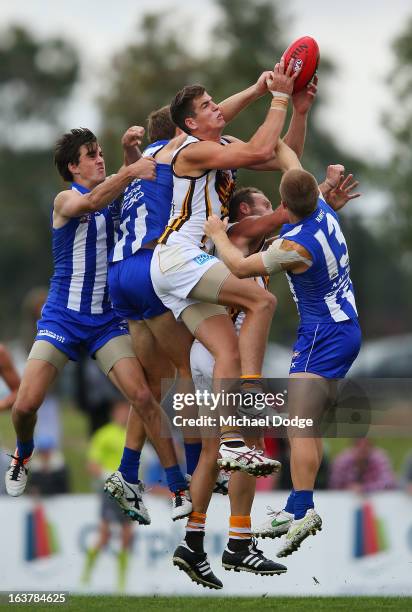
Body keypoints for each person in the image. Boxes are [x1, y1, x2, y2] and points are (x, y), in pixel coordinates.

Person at [155, 61, 320, 589]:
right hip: (179, 262)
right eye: (205, 108)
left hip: (198, 306)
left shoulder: (213, 147)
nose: (215, 110)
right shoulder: (192, 150)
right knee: (262, 302)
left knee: (230, 444)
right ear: (190, 123)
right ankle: (238, 540)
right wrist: (274, 98)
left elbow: (278, 157)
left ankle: (201, 543)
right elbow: (257, 154)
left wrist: (292, 104)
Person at [5, 128, 190, 522]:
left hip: (106, 321)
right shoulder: (66, 198)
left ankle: (177, 486)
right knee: (24, 406)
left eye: (101, 152)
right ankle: (22, 452)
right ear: (73, 166)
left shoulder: (111, 195)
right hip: (62, 317)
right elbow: (94, 197)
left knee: (142, 397)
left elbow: (130, 180)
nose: (99, 159)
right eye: (91, 154)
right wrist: (130, 168)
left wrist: (133, 153)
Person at [204, 138, 362, 559]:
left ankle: (302, 508)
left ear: (283, 201)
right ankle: (299, 506)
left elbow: (238, 267)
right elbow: (288, 158)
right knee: (306, 425)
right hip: (345, 327)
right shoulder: (324, 211)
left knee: (298, 426)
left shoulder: (291, 247)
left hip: (322, 334)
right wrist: (290, 110)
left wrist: (218, 233)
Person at [81, 399, 134, 591]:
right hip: (110, 490)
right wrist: (108, 476)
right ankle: (85, 577)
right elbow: (91, 464)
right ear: (114, 413)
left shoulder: (133, 435)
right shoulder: (104, 435)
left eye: (127, 412)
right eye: (121, 411)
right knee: (105, 535)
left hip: (128, 490)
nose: (124, 415)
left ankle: (122, 584)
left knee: (128, 535)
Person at [329, 439, 397, 492]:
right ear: (352, 447)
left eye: (366, 445)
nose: (362, 448)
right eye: (358, 445)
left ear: (372, 447)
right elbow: (333, 485)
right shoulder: (342, 461)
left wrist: (364, 488)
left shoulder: (380, 459)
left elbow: (389, 483)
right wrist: (348, 488)